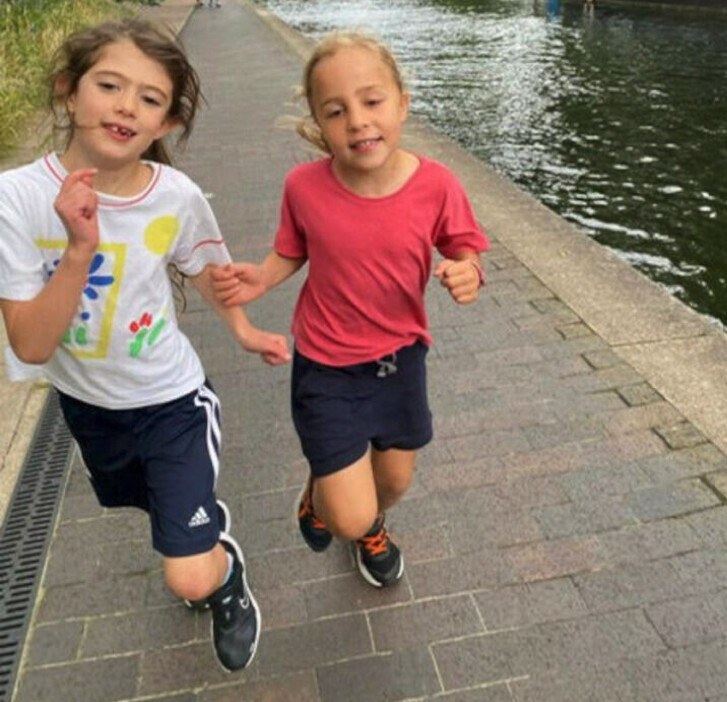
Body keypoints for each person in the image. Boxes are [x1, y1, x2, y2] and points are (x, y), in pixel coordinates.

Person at [0, 19, 291, 671]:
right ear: (68, 89)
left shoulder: (174, 197)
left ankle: (222, 575)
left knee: (187, 571)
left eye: (150, 98)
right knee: (147, 505)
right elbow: (32, 343)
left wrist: (243, 329)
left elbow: (204, 267)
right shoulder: (14, 200)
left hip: (172, 402)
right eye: (109, 85)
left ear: (166, 123)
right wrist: (79, 251)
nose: (127, 106)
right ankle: (197, 534)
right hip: (89, 409)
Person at [211, 31, 489, 588]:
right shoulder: (303, 187)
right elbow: (294, 249)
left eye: (372, 101)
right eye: (336, 111)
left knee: (393, 483)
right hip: (326, 367)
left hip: (400, 362)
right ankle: (339, 510)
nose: (358, 121)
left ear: (402, 103)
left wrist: (468, 271)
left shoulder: (436, 184)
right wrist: (263, 275)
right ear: (319, 123)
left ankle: (360, 513)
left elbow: (465, 247)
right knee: (348, 516)